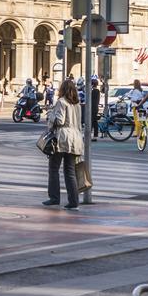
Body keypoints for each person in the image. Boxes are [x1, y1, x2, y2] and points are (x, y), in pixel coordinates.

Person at [43, 78, 84, 209]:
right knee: (70, 170)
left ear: (62, 90)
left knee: (54, 168)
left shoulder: (61, 102)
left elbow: (59, 121)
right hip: (75, 137)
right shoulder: (77, 104)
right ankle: (73, 201)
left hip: (62, 137)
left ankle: (54, 197)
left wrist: (50, 115)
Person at [90, 74, 102, 140]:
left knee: (93, 122)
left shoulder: (94, 91)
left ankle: (95, 135)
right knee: (93, 121)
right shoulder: (96, 91)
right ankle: (93, 135)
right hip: (95, 107)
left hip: (93, 108)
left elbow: (91, 100)